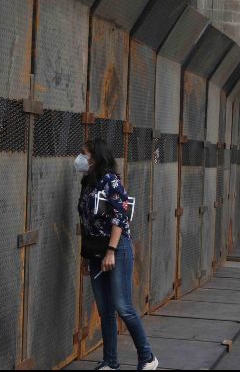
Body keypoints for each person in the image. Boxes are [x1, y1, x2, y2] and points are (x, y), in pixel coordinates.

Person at [75, 138, 158, 371]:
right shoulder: (88, 182)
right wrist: (85, 256)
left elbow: (120, 216)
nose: (80, 159)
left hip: (116, 248)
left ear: (95, 156)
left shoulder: (111, 181)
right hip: (94, 250)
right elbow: (86, 221)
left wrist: (111, 251)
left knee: (123, 306)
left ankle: (147, 357)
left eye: (84, 153)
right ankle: (110, 362)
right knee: (105, 310)